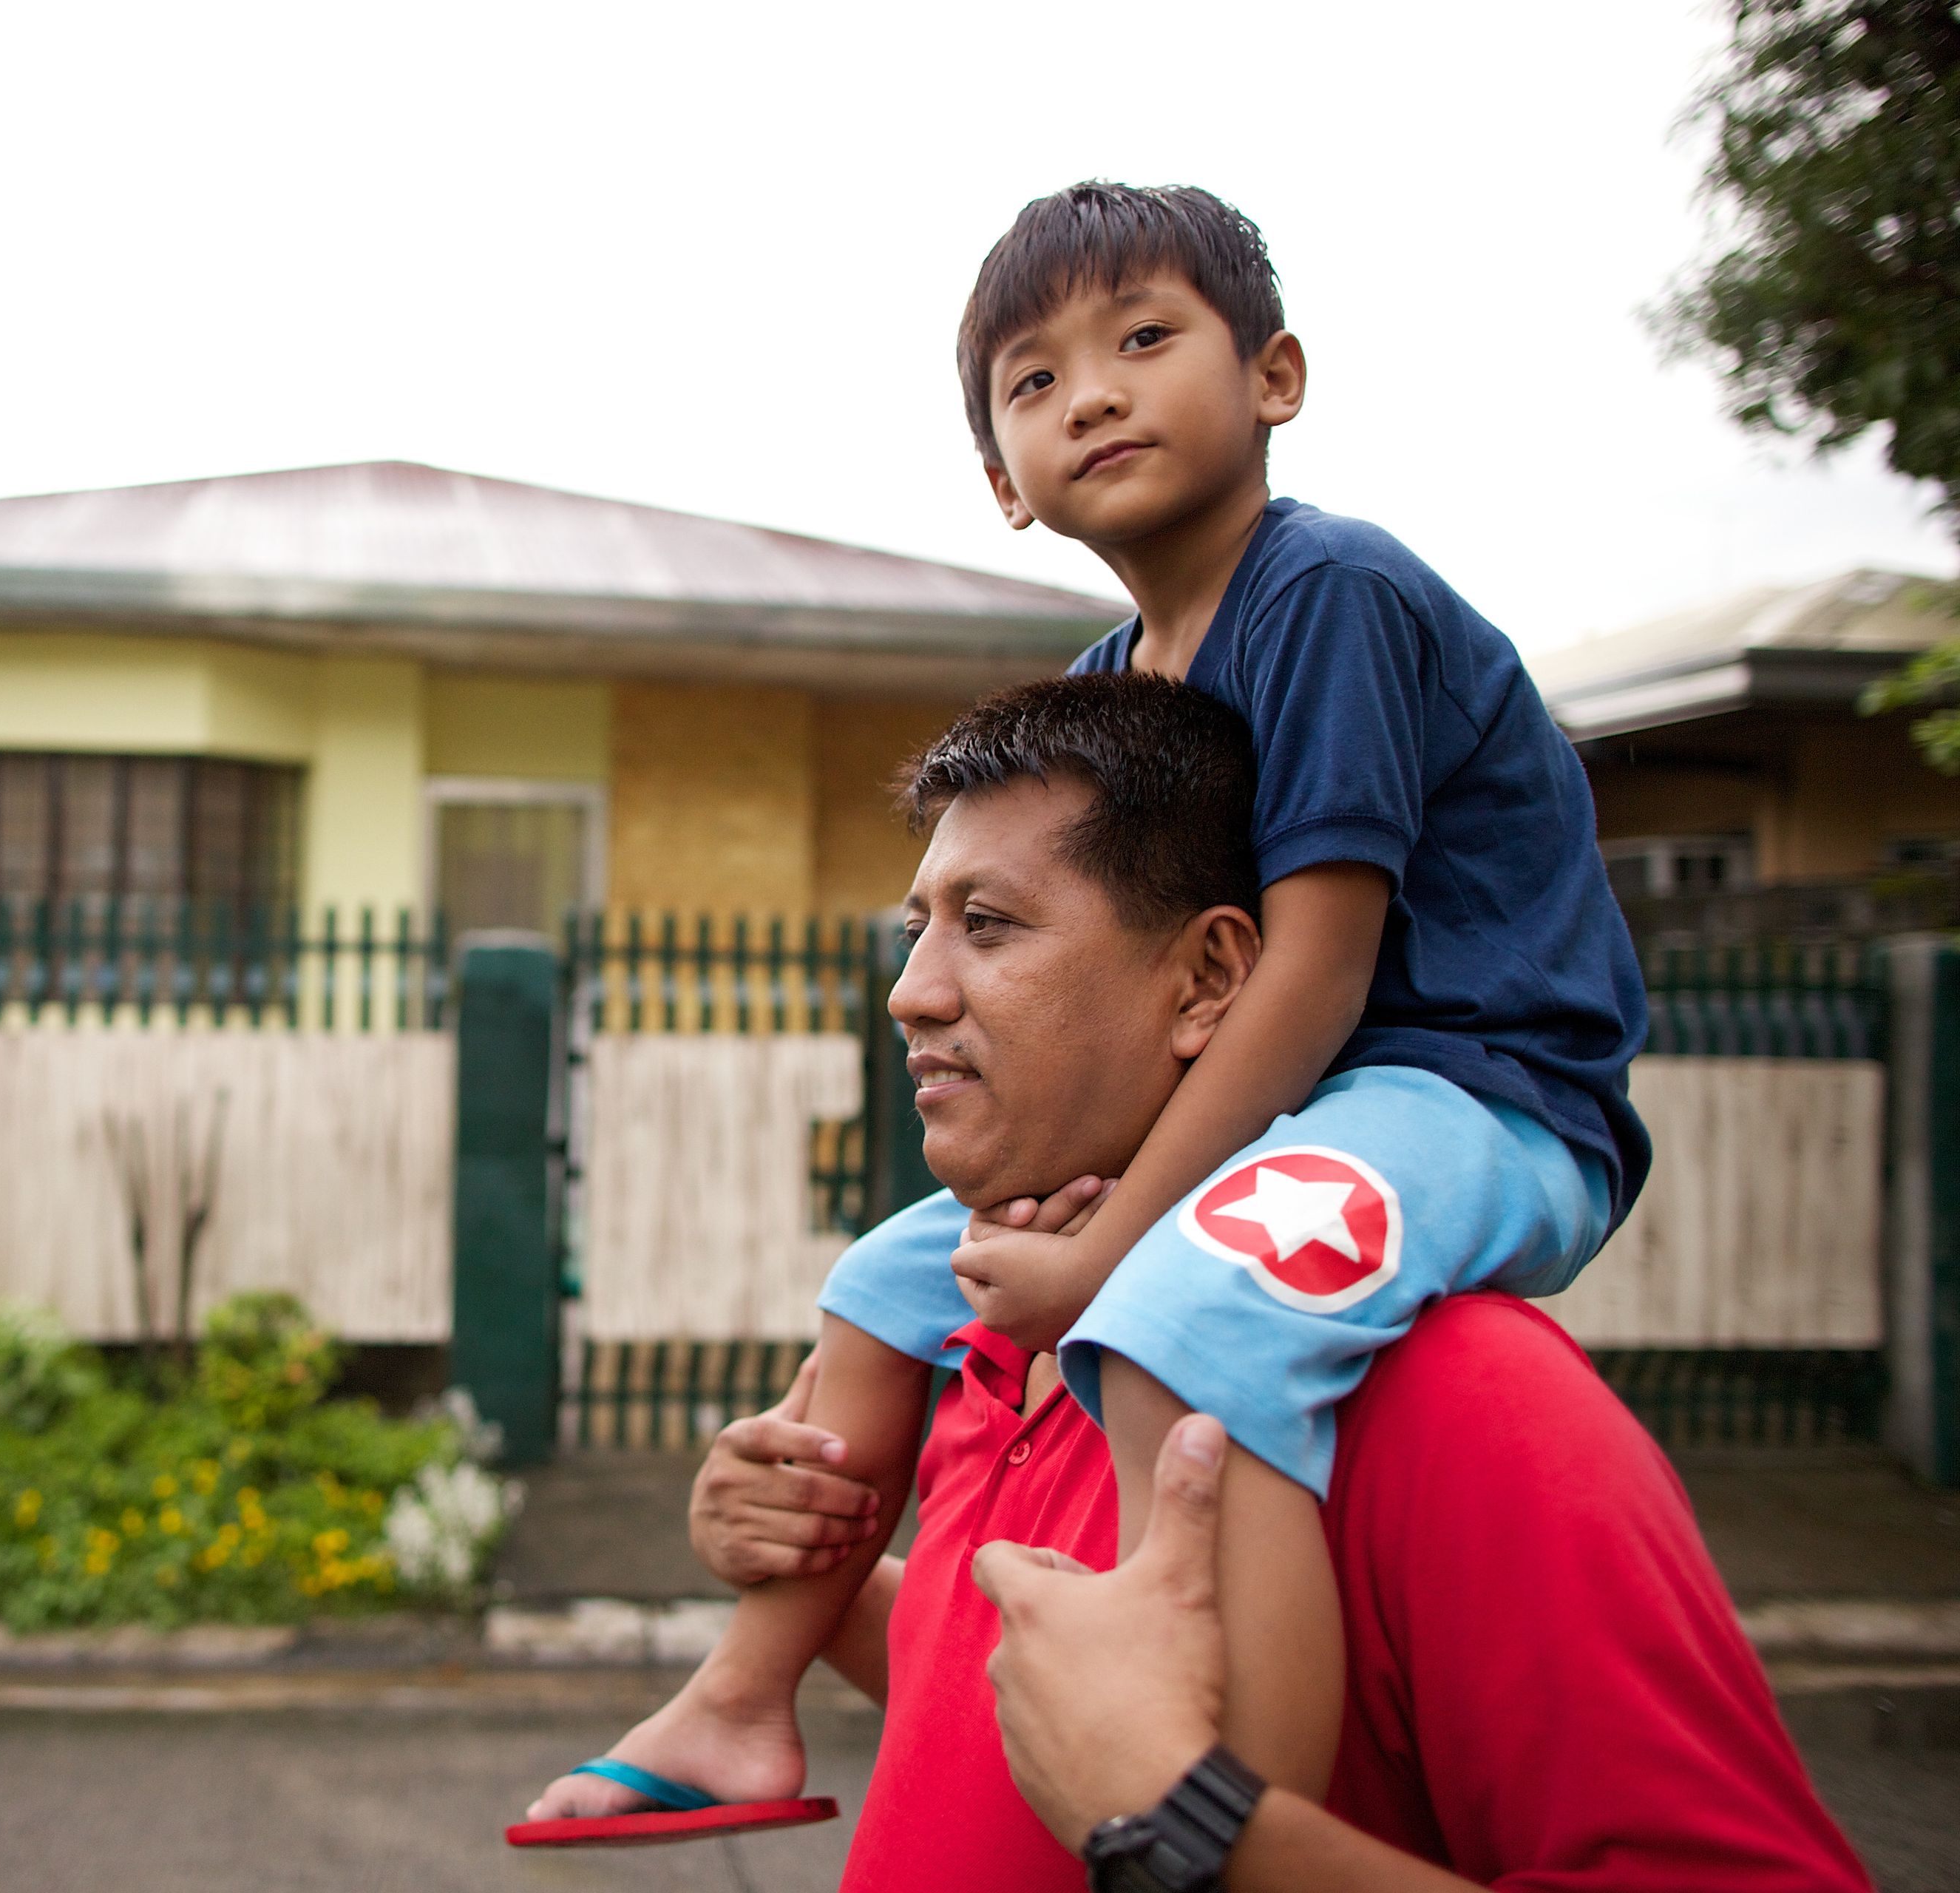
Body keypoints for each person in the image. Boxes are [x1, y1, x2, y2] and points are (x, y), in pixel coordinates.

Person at [526, 176, 1652, 1830]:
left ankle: (1223, 1784)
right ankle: (743, 1693)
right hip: (1309, 1098)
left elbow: (1313, 967)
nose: (1096, 392)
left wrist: (1121, 1226)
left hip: (1469, 1088)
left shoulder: (1327, 592)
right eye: (1036, 381)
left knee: (1199, 1300)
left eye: (1143, 337)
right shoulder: (1118, 673)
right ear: (1002, 477)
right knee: (892, 1271)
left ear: (1274, 375)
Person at [671, 678, 1864, 1888]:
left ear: (1207, 981)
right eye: (917, 926)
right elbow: (1021, 1702)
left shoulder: (1455, 1397)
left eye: (988, 924)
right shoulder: (1002, 1346)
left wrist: (1200, 1827)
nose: (912, 988)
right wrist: (813, 1566)